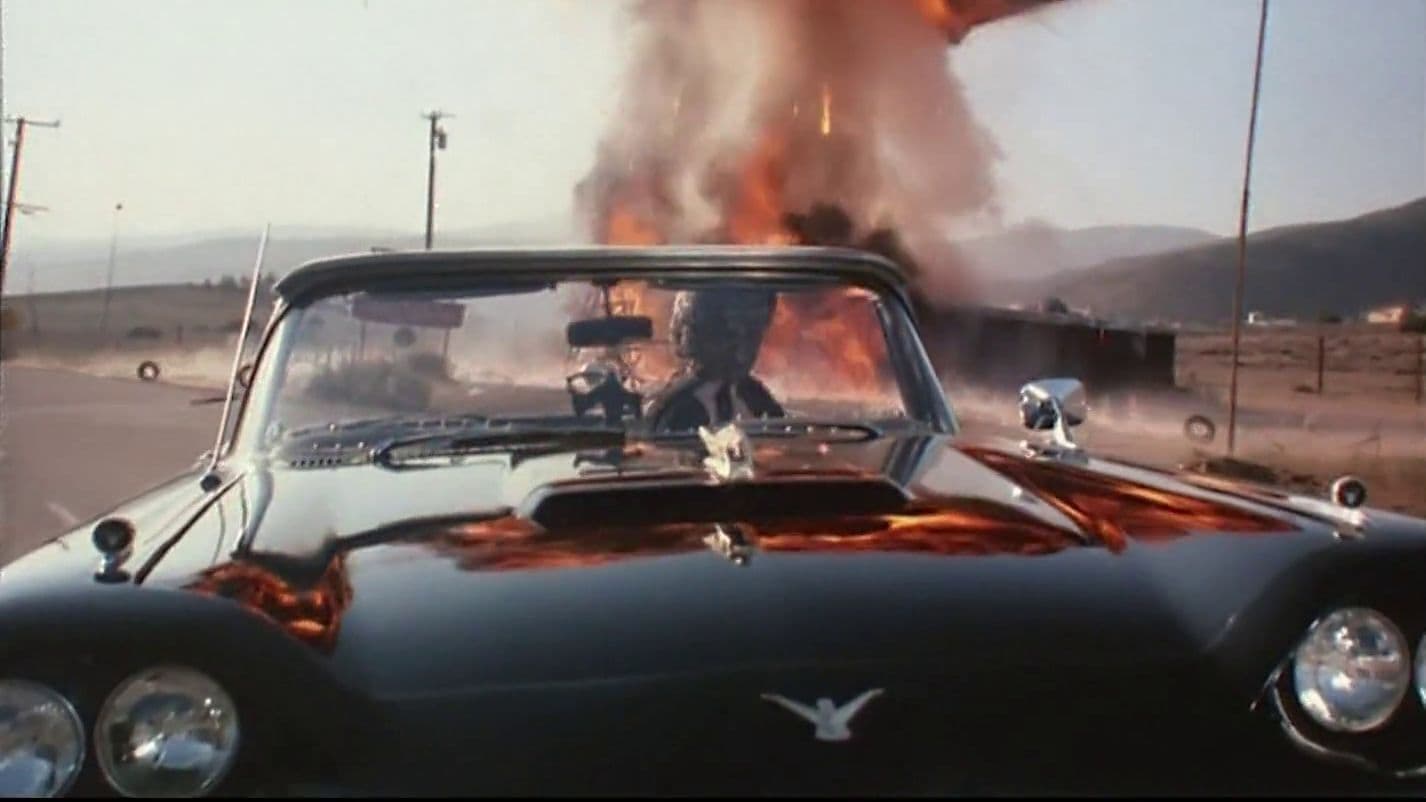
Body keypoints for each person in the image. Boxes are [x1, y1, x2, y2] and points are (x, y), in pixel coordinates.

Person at [646, 287, 786, 431]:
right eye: (729, 336)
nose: (742, 350)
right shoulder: (675, 407)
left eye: (752, 334)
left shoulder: (756, 397)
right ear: (696, 336)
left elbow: (782, 435)